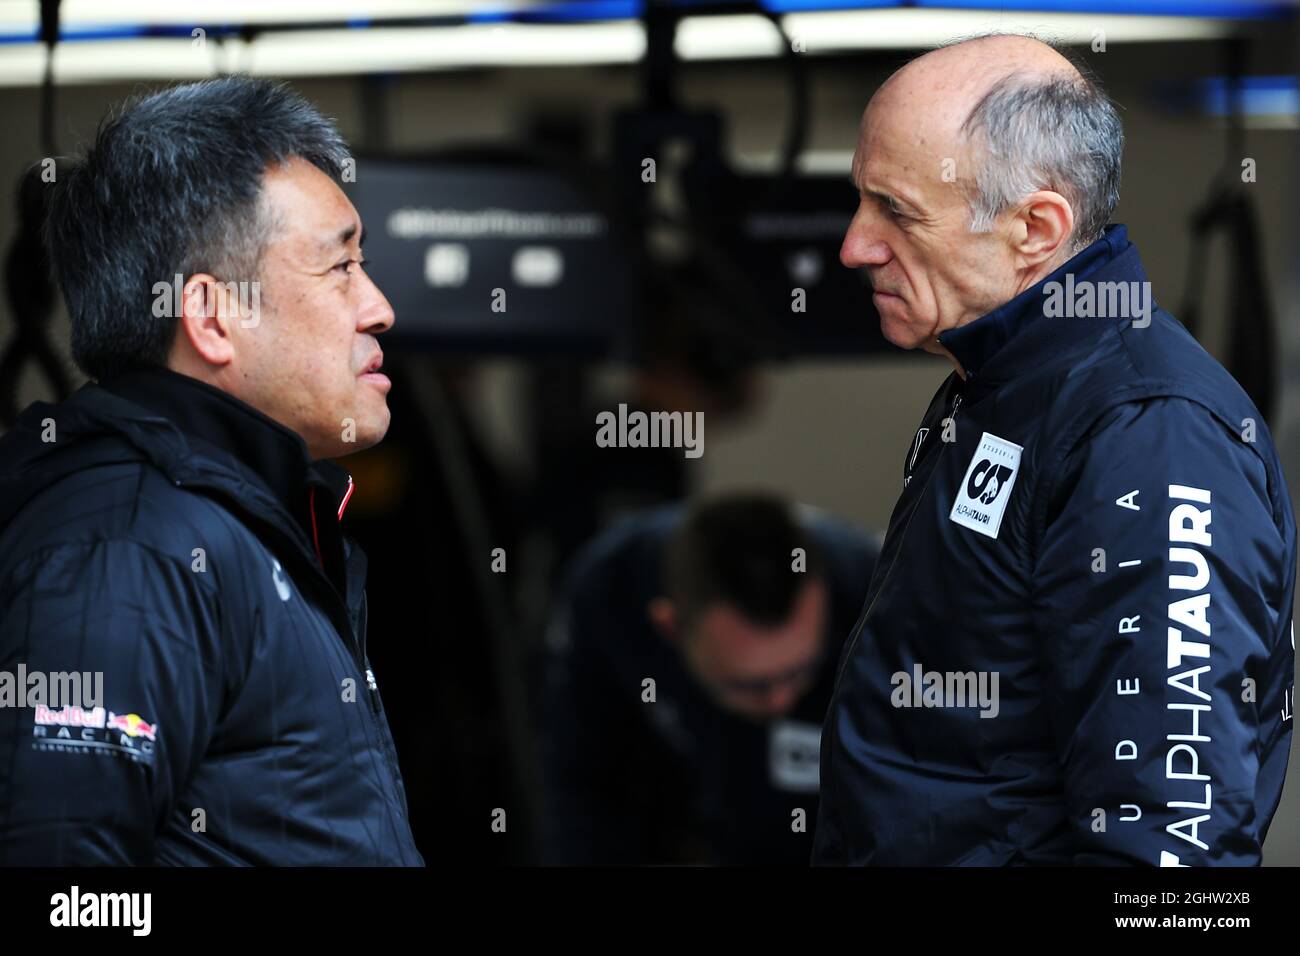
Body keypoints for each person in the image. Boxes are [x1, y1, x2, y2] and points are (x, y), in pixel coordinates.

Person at [815, 34, 1296, 866]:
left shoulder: (1148, 430)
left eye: (896, 210)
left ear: (1036, 228)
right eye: (860, 199)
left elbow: (1172, 846)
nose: (856, 246)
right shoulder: (1004, 385)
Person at [0, 76, 423, 865]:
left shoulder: (243, 522)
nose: (378, 307)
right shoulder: (127, 547)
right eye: (340, 267)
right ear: (211, 316)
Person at [541, 494, 878, 864]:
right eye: (750, 685)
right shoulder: (610, 591)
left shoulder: (879, 600)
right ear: (670, 628)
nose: (781, 699)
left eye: (801, 670)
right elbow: (581, 786)